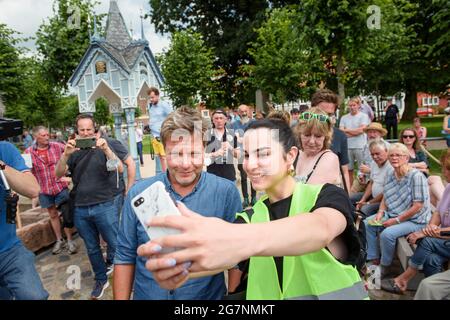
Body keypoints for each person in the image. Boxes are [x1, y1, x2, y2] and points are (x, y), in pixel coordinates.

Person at [138, 118, 368, 300]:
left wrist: (232, 236)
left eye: (263, 154)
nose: (250, 164)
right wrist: (177, 267)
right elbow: (219, 256)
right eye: (246, 155)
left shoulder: (326, 196)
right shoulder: (249, 217)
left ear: (291, 156)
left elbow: (320, 229)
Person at [113, 107, 242, 300]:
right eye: (176, 154)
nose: (185, 164)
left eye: (194, 153)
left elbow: (236, 258)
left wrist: (232, 298)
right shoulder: (138, 194)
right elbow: (124, 256)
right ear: (164, 151)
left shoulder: (226, 193)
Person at [55, 114, 128, 299]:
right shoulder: (73, 150)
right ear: (77, 132)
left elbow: (119, 169)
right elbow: (58, 174)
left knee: (116, 244)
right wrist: (65, 155)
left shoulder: (106, 145)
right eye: (82, 130)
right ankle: (101, 279)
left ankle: (126, 278)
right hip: (80, 207)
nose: (86, 133)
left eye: (89, 129)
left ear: (95, 130)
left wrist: (106, 151)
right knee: (92, 248)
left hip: (106, 204)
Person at [382, 150, 450, 294]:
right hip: (443, 238)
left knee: (426, 242)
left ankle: (403, 279)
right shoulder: (449, 187)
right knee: (431, 259)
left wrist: (427, 232)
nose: (443, 171)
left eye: (446, 168)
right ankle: (437, 294)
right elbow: (438, 211)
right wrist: (431, 227)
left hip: (444, 237)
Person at [364, 143, 431, 276]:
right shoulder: (391, 173)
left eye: (398, 155)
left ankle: (385, 266)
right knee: (367, 223)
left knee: (387, 234)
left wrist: (396, 221)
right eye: (391, 155)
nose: (394, 158)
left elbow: (418, 206)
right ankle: (373, 258)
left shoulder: (416, 177)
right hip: (393, 213)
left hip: (415, 220)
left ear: (406, 158)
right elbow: (386, 196)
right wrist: (380, 212)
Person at [0, 140, 48, 300]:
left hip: (9, 251)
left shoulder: (4, 149)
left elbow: (33, 189)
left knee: (35, 296)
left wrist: (1, 166)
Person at [25, 126, 77, 254]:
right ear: (36, 137)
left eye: (47, 134)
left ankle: (70, 240)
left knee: (66, 215)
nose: (47, 137)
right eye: (43, 135)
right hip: (44, 189)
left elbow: (71, 156)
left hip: (60, 187)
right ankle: (59, 240)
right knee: (53, 215)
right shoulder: (28, 153)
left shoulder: (57, 146)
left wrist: (68, 174)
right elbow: (26, 172)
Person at [312, 89, 351, 192]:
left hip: (331, 193)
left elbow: (344, 171)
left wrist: (347, 198)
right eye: (322, 114)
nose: (326, 118)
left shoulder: (340, 136)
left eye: (330, 114)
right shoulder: (300, 135)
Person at [294, 108, 342, 186]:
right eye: (307, 135)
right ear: (299, 134)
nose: (312, 141)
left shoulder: (329, 158)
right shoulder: (296, 155)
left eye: (318, 136)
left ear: (326, 137)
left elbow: (309, 193)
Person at [350, 140, 392, 218]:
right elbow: (371, 183)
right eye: (372, 154)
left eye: (377, 154)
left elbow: (385, 193)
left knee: (365, 209)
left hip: (384, 201)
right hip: (372, 196)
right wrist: (363, 199)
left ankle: (364, 226)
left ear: (386, 151)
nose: (375, 157)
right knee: (350, 198)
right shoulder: (374, 163)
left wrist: (368, 203)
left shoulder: (390, 166)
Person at [340, 97, 371, 187]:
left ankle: (364, 187)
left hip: (360, 146)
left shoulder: (363, 116)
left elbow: (361, 131)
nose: (352, 107)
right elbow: (341, 132)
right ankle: (349, 188)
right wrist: (355, 132)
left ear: (358, 105)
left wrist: (347, 131)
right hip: (348, 146)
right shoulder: (344, 117)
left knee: (362, 169)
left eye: (354, 105)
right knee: (349, 169)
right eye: (350, 105)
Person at [352, 122, 390, 193]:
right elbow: (362, 164)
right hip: (365, 177)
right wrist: (361, 175)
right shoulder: (366, 146)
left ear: (380, 134)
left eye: (374, 132)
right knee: (351, 193)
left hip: (379, 178)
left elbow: (388, 169)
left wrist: (370, 171)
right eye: (369, 132)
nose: (372, 135)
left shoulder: (387, 147)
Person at [232, 104, 256, 207]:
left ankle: (254, 197)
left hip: (253, 153)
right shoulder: (233, 124)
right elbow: (232, 139)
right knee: (243, 177)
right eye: (241, 111)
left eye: (245, 111)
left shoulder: (254, 123)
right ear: (238, 113)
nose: (244, 113)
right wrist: (234, 149)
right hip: (241, 154)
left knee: (254, 176)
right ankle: (245, 198)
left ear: (249, 111)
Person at [205, 109, 239, 182]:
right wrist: (214, 154)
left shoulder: (231, 134)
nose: (219, 120)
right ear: (212, 120)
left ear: (225, 120)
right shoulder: (207, 135)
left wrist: (230, 147)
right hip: (212, 176)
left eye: (221, 118)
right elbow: (200, 155)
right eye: (216, 118)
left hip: (229, 176)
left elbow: (238, 155)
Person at [147, 87, 172, 175]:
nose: (151, 99)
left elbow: (172, 117)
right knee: (160, 157)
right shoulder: (151, 107)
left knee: (165, 157)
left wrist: (165, 130)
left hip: (162, 135)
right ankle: (164, 174)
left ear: (158, 96)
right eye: (150, 97)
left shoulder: (164, 105)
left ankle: (169, 175)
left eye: (152, 97)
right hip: (154, 136)